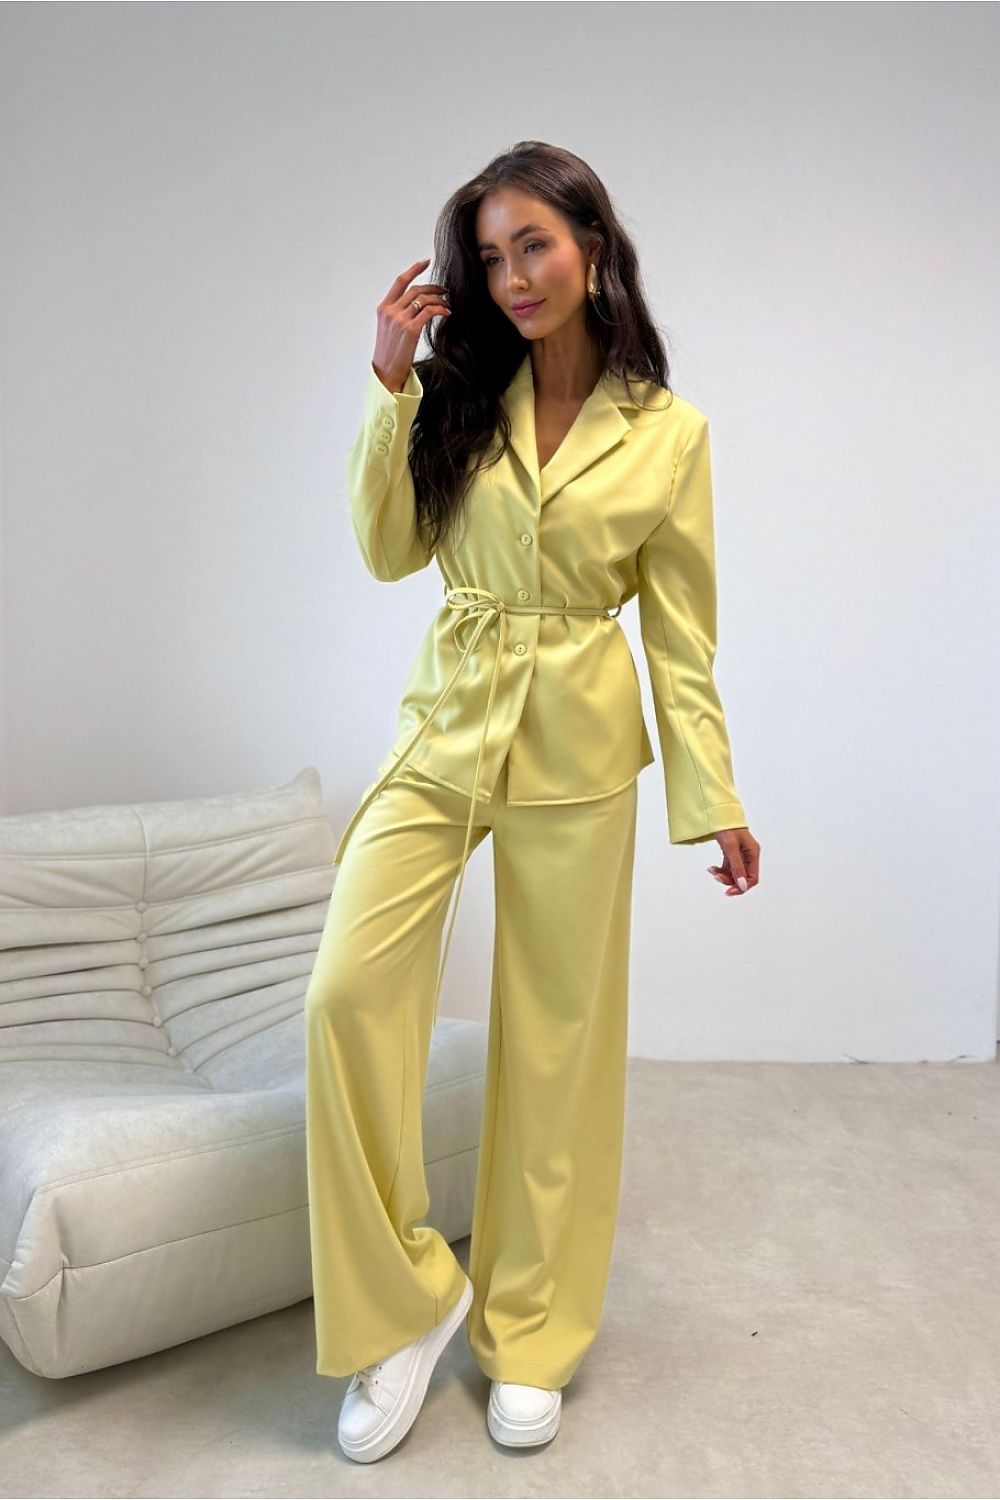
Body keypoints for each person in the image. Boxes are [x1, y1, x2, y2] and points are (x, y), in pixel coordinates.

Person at [305, 139, 760, 1463]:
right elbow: (388, 551)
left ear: (591, 247)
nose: (513, 276)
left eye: (535, 246)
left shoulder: (669, 434)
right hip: (449, 720)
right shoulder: (453, 392)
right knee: (346, 995)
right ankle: (402, 1306)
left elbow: (681, 637)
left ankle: (533, 1331)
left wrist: (714, 794)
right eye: (493, 256)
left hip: (577, 742)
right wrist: (389, 383)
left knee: (556, 1045)